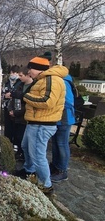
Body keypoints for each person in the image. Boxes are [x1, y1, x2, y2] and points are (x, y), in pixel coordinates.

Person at [20, 55, 68, 195]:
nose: (29, 72)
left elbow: (47, 101)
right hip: (34, 122)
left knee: (37, 155)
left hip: (42, 124)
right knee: (26, 147)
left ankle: (46, 186)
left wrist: (25, 96)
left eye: (31, 69)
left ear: (38, 69)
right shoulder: (43, 80)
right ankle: (29, 171)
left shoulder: (52, 80)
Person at [50, 73, 75, 182]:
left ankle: (62, 170)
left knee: (62, 144)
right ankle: (55, 166)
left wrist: (54, 103)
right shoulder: (59, 81)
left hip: (65, 118)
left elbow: (69, 102)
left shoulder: (63, 82)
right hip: (57, 118)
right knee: (55, 143)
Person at [8, 67, 33, 161]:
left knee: (22, 136)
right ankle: (18, 152)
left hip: (23, 117)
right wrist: (11, 110)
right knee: (17, 136)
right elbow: (13, 98)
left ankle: (23, 155)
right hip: (15, 116)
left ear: (28, 75)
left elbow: (27, 104)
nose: (19, 77)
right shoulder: (20, 85)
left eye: (21, 75)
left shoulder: (32, 87)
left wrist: (16, 112)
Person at [2, 65, 21, 142]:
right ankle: (8, 142)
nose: (13, 74)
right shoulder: (7, 83)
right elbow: (3, 94)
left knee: (16, 129)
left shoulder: (19, 83)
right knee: (8, 128)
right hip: (7, 107)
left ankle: (15, 145)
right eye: (12, 73)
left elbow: (20, 94)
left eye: (15, 73)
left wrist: (11, 95)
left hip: (16, 109)